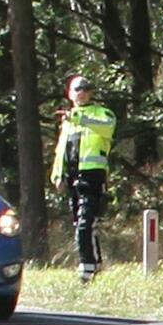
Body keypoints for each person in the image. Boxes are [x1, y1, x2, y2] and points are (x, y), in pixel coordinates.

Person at [51, 76, 119, 279]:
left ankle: (86, 267)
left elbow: (106, 127)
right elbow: (61, 150)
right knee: (81, 223)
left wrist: (80, 119)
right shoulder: (68, 121)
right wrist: (57, 175)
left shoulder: (102, 113)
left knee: (85, 223)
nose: (81, 93)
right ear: (69, 94)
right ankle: (95, 264)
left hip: (93, 176)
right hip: (72, 176)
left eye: (85, 89)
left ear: (91, 92)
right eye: (76, 89)